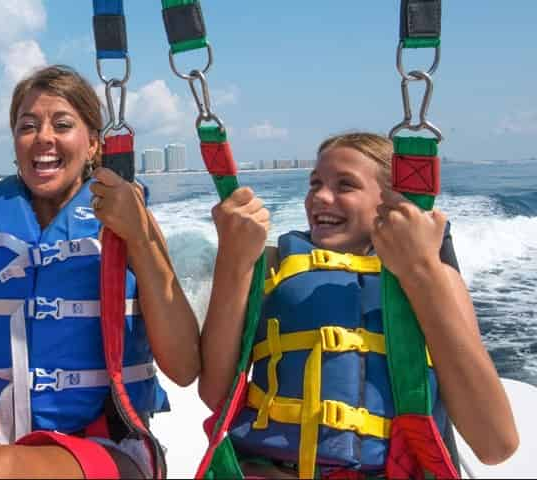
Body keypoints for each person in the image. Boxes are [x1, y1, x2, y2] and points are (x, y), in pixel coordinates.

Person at [0, 65, 200, 478]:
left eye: (62, 124)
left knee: (2, 469)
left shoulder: (130, 226)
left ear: (94, 144)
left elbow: (183, 368)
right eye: (27, 126)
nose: (43, 137)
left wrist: (140, 240)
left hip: (107, 442)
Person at [199, 132, 518, 477]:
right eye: (315, 183)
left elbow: (495, 444)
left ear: (391, 201)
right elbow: (215, 394)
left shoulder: (435, 280)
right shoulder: (270, 265)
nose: (320, 197)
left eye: (345, 185)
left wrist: (420, 271)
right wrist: (233, 261)